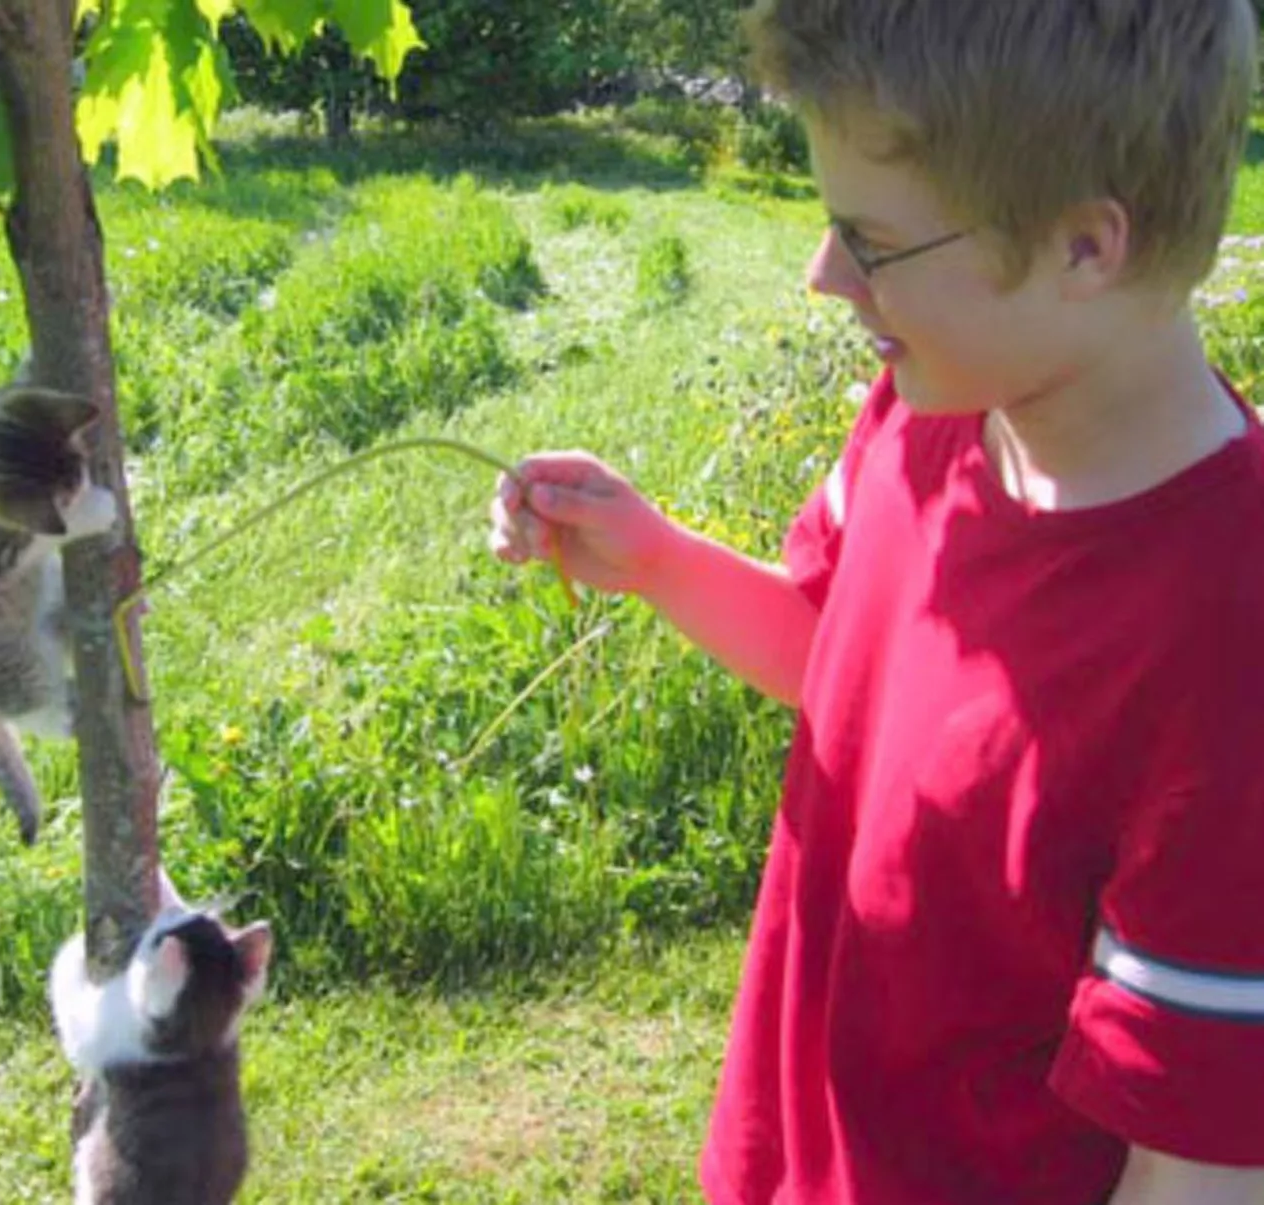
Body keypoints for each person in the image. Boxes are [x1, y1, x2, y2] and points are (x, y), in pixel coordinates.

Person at [488, 2, 1264, 1201]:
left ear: (1081, 247)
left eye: (871, 240)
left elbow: (1194, 1167)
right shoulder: (929, 417)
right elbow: (846, 665)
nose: (823, 275)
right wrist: (655, 559)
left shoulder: (1227, 643)